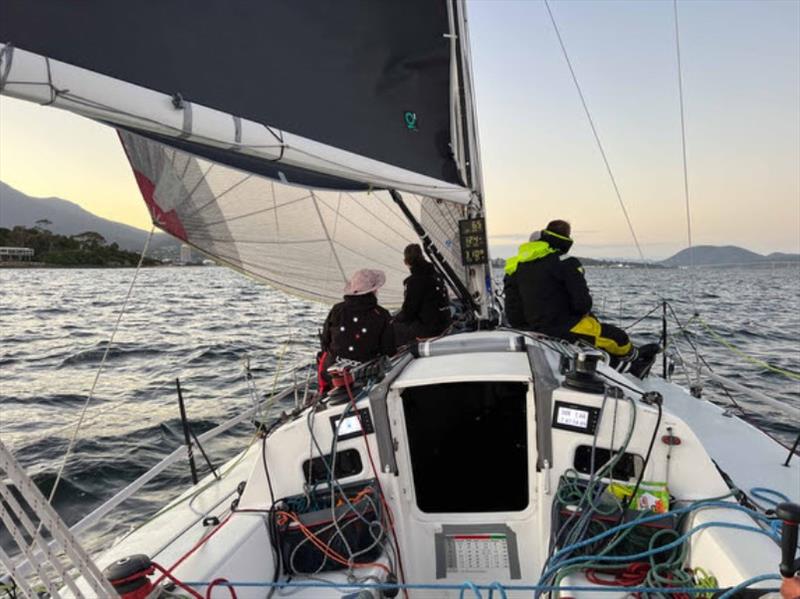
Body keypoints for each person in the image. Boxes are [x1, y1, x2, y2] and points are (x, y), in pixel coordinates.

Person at [504, 220, 650, 370]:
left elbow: (512, 309)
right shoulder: (566, 262)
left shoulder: (515, 267)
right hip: (560, 327)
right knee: (617, 338)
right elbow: (583, 304)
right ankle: (636, 361)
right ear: (566, 238)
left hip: (526, 329)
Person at [318, 269, 395, 392]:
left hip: (332, 375)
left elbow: (325, 342)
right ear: (374, 291)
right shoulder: (382, 315)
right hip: (363, 375)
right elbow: (389, 350)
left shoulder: (337, 309)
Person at [393, 244, 452, 346]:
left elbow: (409, 313)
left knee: (392, 329)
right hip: (446, 324)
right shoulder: (437, 275)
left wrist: (393, 319)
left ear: (406, 262)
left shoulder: (414, 282)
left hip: (430, 330)